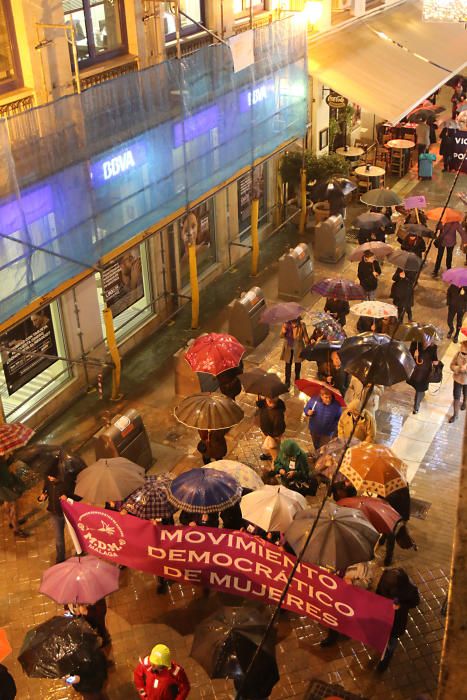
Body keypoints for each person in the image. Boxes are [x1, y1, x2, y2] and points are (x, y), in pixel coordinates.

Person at [375, 568, 420, 672]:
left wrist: (400, 607)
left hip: (397, 620)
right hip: (383, 615)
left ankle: (385, 661)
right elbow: (378, 591)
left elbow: (415, 603)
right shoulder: (385, 578)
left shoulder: (410, 590)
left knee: (391, 642)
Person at [37, 464, 76, 563]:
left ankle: (80, 550)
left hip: (68, 513)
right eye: (48, 476)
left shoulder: (68, 482)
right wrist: (42, 497)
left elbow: (78, 496)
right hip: (54, 513)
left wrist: (67, 498)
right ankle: (60, 560)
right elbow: (45, 490)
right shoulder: (48, 480)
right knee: (59, 539)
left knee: (75, 533)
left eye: (51, 476)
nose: (49, 478)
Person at [0, 453, 29, 538]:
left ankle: (11, 523)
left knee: (7, 504)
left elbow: (5, 465)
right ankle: (17, 530)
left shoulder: (1, 459)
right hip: (5, 488)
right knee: (14, 506)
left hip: (5, 488)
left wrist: (11, 457)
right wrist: (11, 486)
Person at [407, 340, 439, 414]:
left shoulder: (433, 347)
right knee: (417, 387)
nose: (428, 340)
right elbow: (409, 355)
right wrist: (414, 355)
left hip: (425, 372)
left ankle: (416, 407)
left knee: (420, 389)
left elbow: (434, 359)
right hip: (415, 371)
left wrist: (436, 363)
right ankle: (420, 396)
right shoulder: (416, 343)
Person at [280, 316, 310, 388]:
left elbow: (305, 337)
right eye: (292, 322)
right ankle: (287, 381)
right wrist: (283, 331)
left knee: (298, 364)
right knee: (288, 364)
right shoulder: (286, 325)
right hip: (288, 347)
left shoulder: (302, 325)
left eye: (295, 322)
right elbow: (281, 336)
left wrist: (308, 342)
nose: (294, 324)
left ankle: (297, 378)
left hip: (298, 347)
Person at [256, 396, 286, 462]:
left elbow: (279, 426)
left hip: (273, 434)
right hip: (266, 431)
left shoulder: (277, 414)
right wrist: (258, 400)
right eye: (268, 400)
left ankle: (276, 463)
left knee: (274, 448)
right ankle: (268, 454)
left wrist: (276, 436)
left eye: (272, 401)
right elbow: (260, 405)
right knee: (269, 445)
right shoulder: (264, 403)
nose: (270, 402)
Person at [448, 340, 467, 423]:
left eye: (462, 346)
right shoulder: (458, 354)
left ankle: (465, 403)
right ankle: (455, 415)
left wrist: (465, 369)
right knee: (456, 396)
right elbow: (451, 365)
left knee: (465, 393)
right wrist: (458, 368)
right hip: (457, 379)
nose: (460, 347)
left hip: (466, 381)